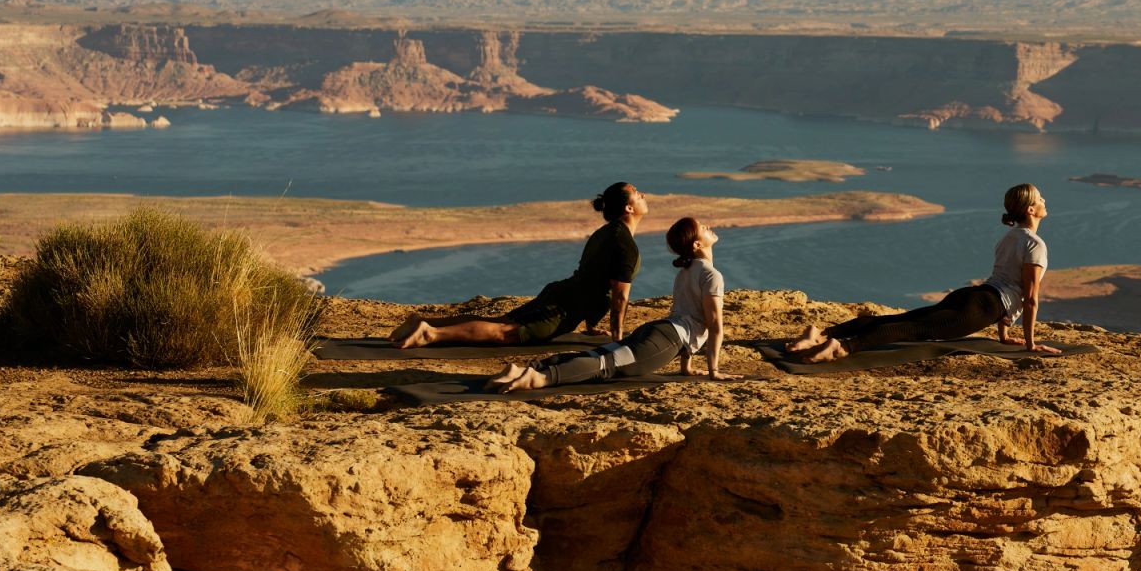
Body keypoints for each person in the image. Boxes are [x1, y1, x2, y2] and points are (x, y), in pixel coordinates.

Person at [787, 183, 1058, 362]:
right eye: (1040, 198)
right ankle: (842, 347)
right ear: (1031, 210)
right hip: (984, 306)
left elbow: (1004, 281)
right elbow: (1029, 297)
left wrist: (1003, 336)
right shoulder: (1035, 244)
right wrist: (1030, 344)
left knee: (903, 318)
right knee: (912, 328)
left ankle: (820, 334)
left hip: (974, 296)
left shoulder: (1008, 237)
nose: (1046, 200)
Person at [483, 215, 734, 391]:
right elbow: (713, 325)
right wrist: (714, 371)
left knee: (598, 354)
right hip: (666, 339)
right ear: (697, 244)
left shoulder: (686, 272)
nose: (708, 226)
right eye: (702, 226)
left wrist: (687, 368)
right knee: (604, 365)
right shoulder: (711, 275)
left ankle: (529, 369)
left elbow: (685, 316)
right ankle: (537, 379)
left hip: (659, 331)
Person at [391, 182, 646, 348]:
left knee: (499, 321)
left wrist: (590, 327)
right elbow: (619, 297)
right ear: (628, 207)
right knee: (506, 333)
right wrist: (618, 340)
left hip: (561, 293)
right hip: (562, 308)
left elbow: (594, 276)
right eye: (637, 194)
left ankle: (424, 321)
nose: (643, 195)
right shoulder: (625, 244)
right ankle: (430, 334)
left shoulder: (606, 233)